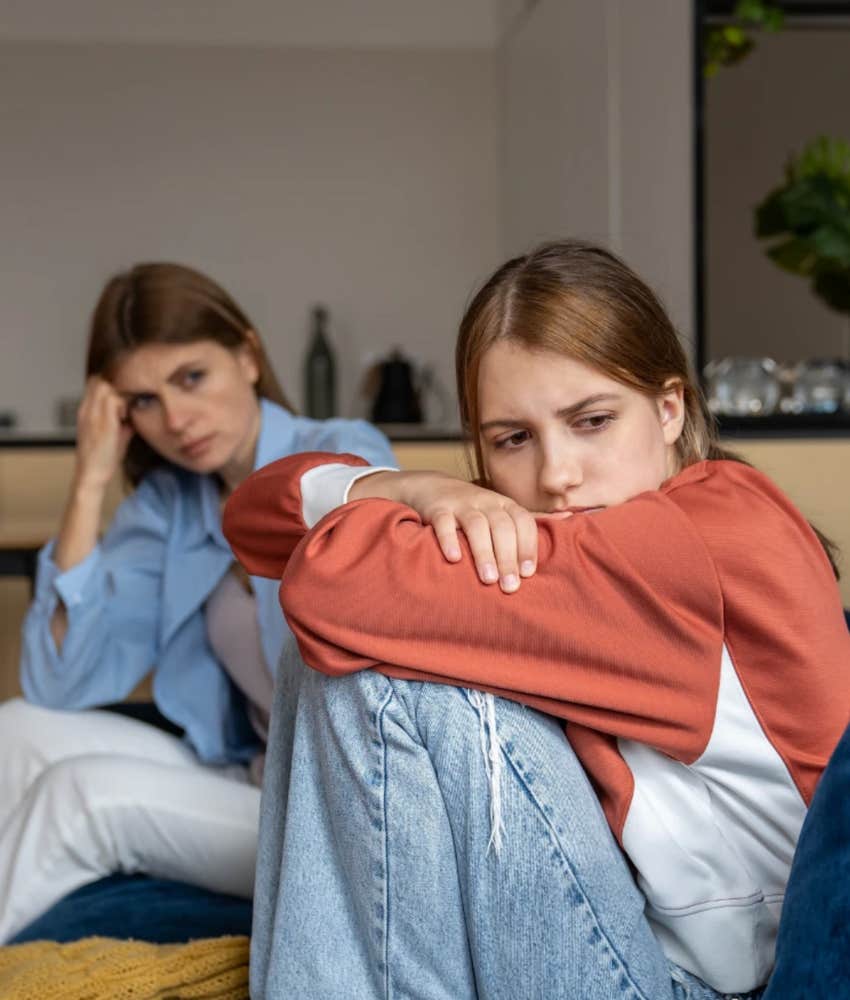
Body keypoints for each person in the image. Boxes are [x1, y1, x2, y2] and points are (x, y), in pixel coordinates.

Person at [223, 239, 850, 1000]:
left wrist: (399, 503)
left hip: (714, 987)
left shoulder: (694, 544)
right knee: (360, 657)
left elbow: (326, 591)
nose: (555, 476)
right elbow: (253, 520)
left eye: (592, 421)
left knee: (375, 675)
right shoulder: (586, 541)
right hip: (656, 950)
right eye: (512, 439)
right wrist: (411, 486)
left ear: (669, 407)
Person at [0, 262, 395, 944]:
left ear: (247, 355)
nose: (177, 420)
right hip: (242, 774)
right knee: (16, 728)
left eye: (191, 378)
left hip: (335, 808)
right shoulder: (170, 506)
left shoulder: (339, 455)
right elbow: (57, 681)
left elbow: (363, 535)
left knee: (79, 797)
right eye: (143, 401)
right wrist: (89, 481)